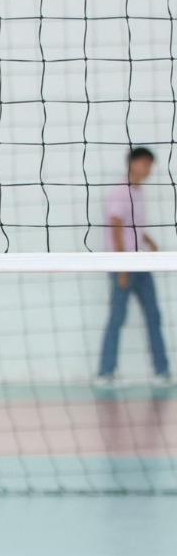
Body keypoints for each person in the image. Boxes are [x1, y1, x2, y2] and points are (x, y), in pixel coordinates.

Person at [96, 146, 171, 385]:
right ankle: (105, 373)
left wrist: (150, 242)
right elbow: (116, 228)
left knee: (153, 316)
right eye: (144, 163)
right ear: (133, 163)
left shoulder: (139, 192)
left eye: (150, 164)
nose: (148, 169)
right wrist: (122, 267)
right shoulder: (121, 192)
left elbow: (134, 227)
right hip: (124, 265)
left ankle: (162, 372)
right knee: (117, 317)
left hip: (141, 263)